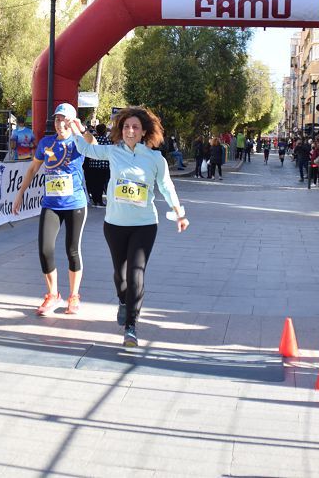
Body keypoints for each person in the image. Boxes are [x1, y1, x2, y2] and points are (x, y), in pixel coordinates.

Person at [69, 106, 189, 347]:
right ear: (120, 130)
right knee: (120, 276)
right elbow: (86, 148)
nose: (130, 131)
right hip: (115, 223)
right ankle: (124, 302)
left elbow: (166, 187)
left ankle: (131, 326)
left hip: (145, 224)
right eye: (126, 127)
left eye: (135, 127)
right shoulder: (113, 152)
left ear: (144, 131)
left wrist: (179, 212)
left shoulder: (155, 158)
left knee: (136, 273)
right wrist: (75, 129)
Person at [11, 103, 88, 316]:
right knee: (45, 249)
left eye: (64, 119)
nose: (60, 123)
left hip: (75, 204)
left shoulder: (79, 142)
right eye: (57, 119)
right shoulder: (46, 143)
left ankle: (74, 296)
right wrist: (20, 194)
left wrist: (81, 130)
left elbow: (94, 144)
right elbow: (33, 168)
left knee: (72, 250)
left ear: (72, 121)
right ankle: (53, 294)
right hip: (51, 204)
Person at [84, 123, 111, 207]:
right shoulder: (107, 140)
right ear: (105, 131)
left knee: (94, 183)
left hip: (92, 165)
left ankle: (95, 200)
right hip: (103, 166)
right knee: (101, 184)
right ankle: (99, 201)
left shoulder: (93, 139)